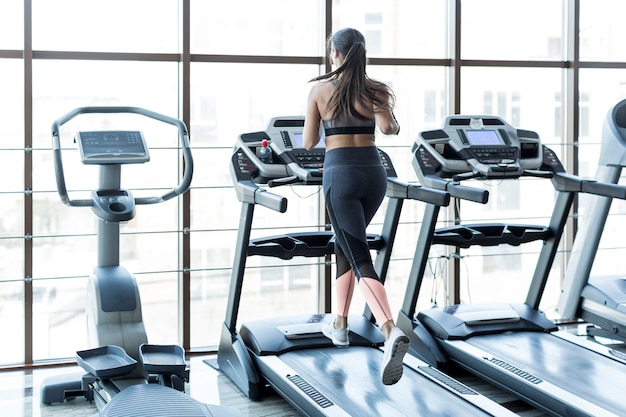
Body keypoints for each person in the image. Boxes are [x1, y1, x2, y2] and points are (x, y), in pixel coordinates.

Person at [302, 27, 409, 386]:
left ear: (334, 53)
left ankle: (390, 329)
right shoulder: (375, 89)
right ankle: (341, 324)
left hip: (341, 175)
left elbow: (309, 140)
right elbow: (390, 129)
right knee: (346, 245)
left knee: (358, 254)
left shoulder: (319, 90)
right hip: (374, 174)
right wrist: (383, 111)